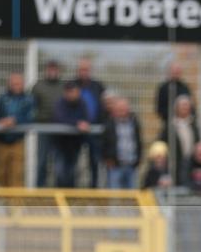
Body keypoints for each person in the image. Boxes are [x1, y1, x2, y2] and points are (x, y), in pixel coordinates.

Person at [0, 73, 34, 188]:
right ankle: (1, 204)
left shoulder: (28, 99)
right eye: (14, 83)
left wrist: (15, 120)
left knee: (16, 175)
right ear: (9, 84)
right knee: (1, 175)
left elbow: (31, 117)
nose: (16, 86)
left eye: (18, 83)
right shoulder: (2, 98)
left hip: (17, 142)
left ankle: (15, 205)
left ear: (23, 84)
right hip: (1, 141)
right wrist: (1, 121)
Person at [72, 59, 106, 188]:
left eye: (86, 69)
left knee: (94, 163)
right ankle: (72, 193)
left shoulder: (98, 86)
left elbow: (104, 106)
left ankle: (94, 191)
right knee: (74, 163)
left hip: (94, 132)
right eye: (81, 69)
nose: (84, 72)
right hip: (75, 132)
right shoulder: (72, 85)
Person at [31, 60, 64, 187]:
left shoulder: (63, 86)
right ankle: (39, 193)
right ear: (46, 70)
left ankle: (58, 193)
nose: (52, 71)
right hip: (43, 129)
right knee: (42, 162)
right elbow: (31, 106)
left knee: (59, 164)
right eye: (50, 69)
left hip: (60, 131)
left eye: (55, 69)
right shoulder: (38, 86)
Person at [53, 81, 90, 188]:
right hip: (60, 144)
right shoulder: (60, 103)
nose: (71, 94)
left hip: (75, 144)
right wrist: (76, 123)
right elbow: (59, 118)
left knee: (72, 173)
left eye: (73, 91)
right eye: (69, 92)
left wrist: (82, 123)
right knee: (60, 173)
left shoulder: (82, 103)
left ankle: (70, 200)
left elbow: (86, 119)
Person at [159, 95, 201, 185]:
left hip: (191, 162)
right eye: (182, 105)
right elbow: (162, 142)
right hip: (175, 162)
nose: (185, 108)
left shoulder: (194, 124)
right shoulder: (170, 125)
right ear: (176, 108)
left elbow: (198, 141)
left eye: (187, 105)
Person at [102, 97, 142, 189]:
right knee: (114, 195)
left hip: (131, 164)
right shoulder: (109, 124)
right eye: (119, 109)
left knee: (132, 196)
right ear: (114, 110)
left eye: (124, 108)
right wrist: (107, 158)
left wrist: (139, 158)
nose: (122, 111)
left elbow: (138, 141)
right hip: (115, 165)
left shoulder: (134, 123)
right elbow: (104, 143)